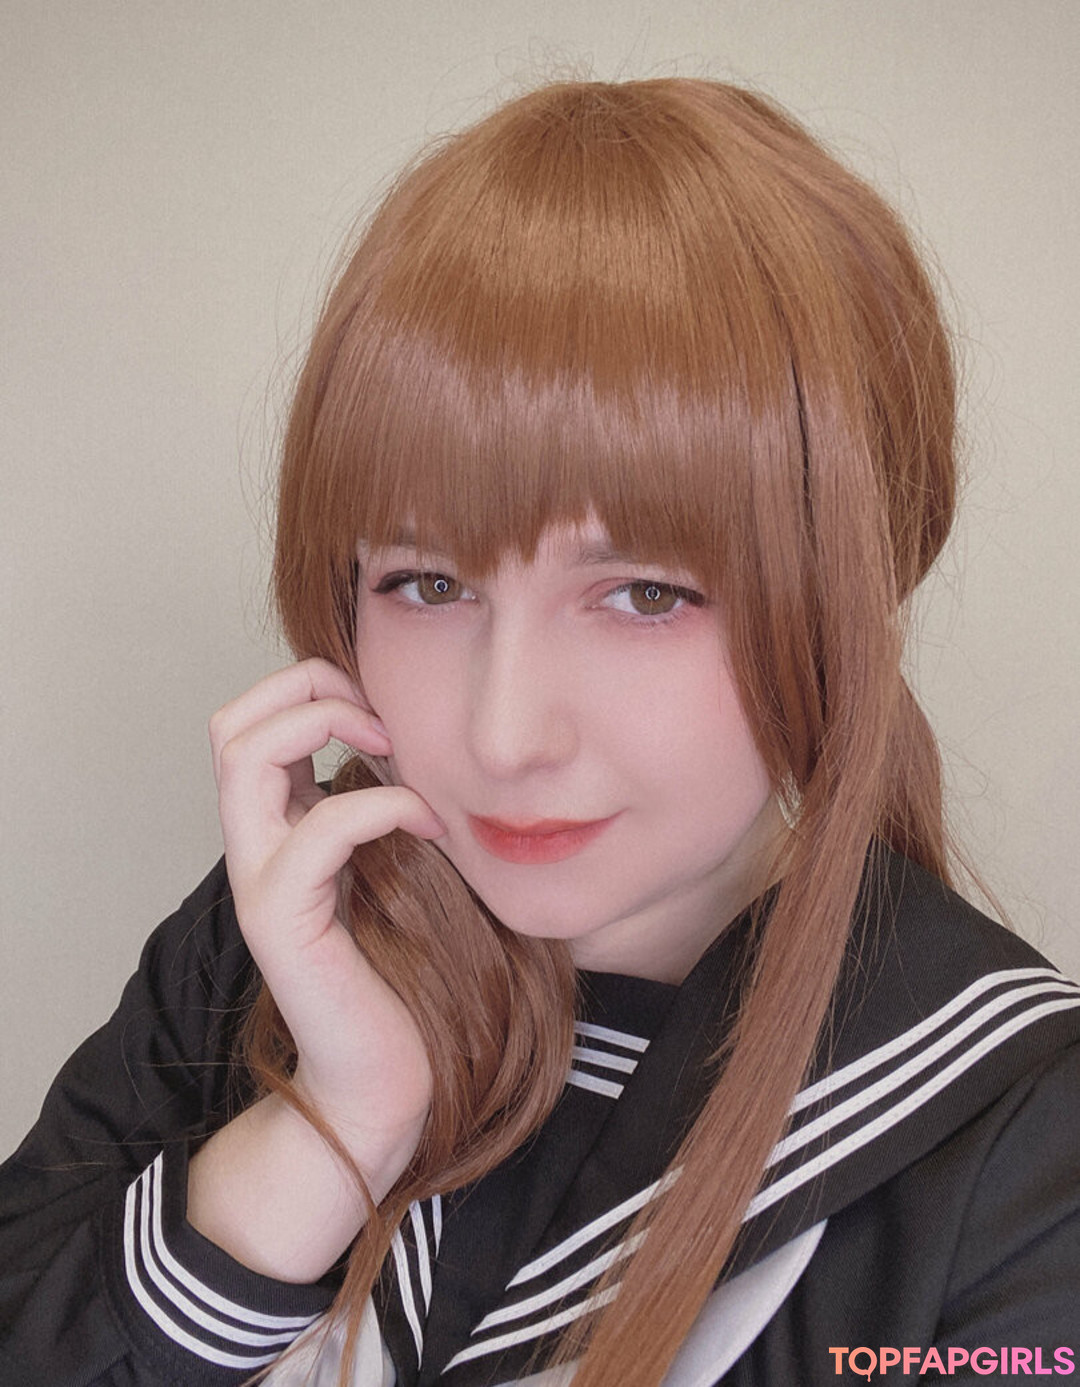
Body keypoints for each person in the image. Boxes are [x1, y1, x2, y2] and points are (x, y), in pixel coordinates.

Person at [1, 77, 1078, 1387]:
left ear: (842, 600)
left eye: (646, 594)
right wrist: (336, 1125)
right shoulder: (272, 944)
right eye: (426, 583)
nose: (504, 735)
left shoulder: (1019, 1137)